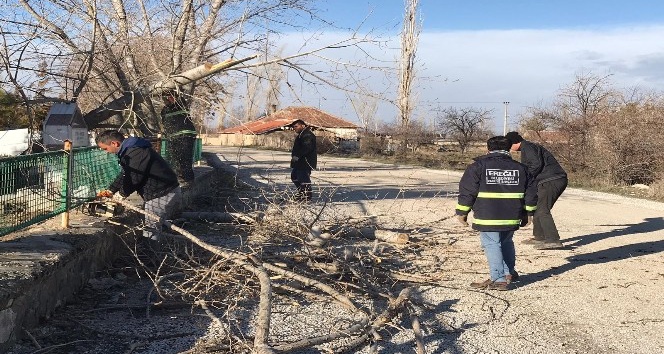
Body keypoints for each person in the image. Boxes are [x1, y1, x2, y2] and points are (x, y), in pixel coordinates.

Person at [456, 136, 537, 290]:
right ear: (508, 150)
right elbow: (531, 193)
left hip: (488, 216)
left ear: (488, 149)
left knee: (492, 244)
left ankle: (499, 279)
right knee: (506, 242)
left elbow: (468, 191)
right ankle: (508, 273)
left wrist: (462, 211)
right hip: (512, 215)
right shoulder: (521, 169)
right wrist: (528, 213)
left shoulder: (478, 166)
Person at [96, 130, 182, 249]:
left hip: (162, 193)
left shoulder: (136, 152)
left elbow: (134, 177)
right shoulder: (130, 149)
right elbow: (126, 174)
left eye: (106, 149)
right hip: (162, 192)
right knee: (154, 225)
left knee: (151, 228)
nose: (107, 152)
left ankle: (152, 258)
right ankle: (160, 250)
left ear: (114, 144)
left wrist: (121, 195)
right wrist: (111, 190)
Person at [506, 131, 568, 250]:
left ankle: (553, 240)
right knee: (538, 209)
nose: (510, 148)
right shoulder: (527, 148)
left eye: (510, 145)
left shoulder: (528, 147)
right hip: (548, 180)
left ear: (515, 142)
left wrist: (525, 177)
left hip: (552, 180)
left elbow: (536, 164)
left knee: (543, 209)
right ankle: (539, 237)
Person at [161, 89, 197, 187]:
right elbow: (164, 123)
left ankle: (188, 180)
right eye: (166, 97)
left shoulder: (181, 104)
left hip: (186, 135)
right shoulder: (164, 110)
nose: (168, 99)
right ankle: (180, 179)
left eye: (171, 96)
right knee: (176, 158)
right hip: (173, 137)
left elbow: (180, 94)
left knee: (185, 158)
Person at [289, 119, 317, 201]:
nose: (294, 128)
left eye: (296, 126)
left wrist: (297, 156)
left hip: (305, 161)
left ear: (303, 126)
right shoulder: (302, 134)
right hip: (299, 162)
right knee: (294, 176)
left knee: (303, 178)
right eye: (293, 127)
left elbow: (307, 147)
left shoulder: (307, 135)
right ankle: (302, 193)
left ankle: (307, 196)